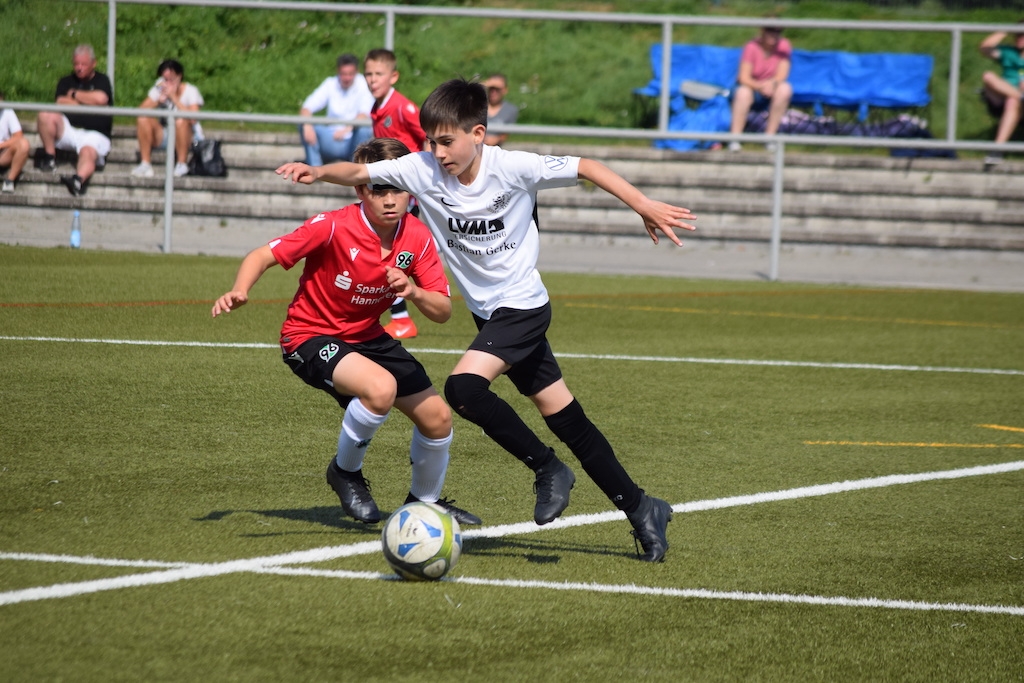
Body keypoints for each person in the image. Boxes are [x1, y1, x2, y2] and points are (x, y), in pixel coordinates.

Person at [276, 79, 696, 562]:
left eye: (446, 141)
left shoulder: (512, 167)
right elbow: (358, 170)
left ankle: (548, 468)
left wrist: (643, 205)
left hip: (523, 307)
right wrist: (317, 172)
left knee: (464, 389)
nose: (438, 152)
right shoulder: (422, 169)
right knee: (567, 418)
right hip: (490, 317)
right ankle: (642, 508)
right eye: (431, 141)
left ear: (478, 134)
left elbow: (587, 166)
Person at [212, 137, 479, 527]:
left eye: (398, 189)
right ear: (359, 190)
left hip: (367, 336)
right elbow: (263, 255)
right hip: (308, 336)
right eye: (378, 190)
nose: (390, 200)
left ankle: (424, 503)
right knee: (381, 389)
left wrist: (413, 291)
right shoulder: (333, 226)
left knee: (438, 418)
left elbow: (442, 311)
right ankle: (345, 472)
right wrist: (240, 289)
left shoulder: (418, 236)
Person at [364, 48, 429, 340]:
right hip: (388, 189)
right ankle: (398, 318)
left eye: (378, 74)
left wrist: (422, 178)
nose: (372, 79)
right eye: (368, 74)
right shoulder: (377, 107)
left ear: (394, 76)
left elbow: (428, 138)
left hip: (405, 193)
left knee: (389, 251)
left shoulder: (403, 108)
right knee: (385, 250)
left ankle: (400, 319)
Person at [35, 44, 113, 196]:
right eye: (76, 64)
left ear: (93, 63)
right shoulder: (65, 81)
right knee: (45, 114)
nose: (79, 68)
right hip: (70, 130)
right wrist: (90, 102)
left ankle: (78, 179)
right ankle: (50, 158)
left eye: (83, 64)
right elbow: (60, 101)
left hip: (95, 134)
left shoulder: (102, 80)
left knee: (88, 151)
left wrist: (75, 95)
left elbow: (102, 99)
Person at [131, 59, 204, 178]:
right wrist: (157, 101)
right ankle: (145, 164)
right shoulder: (160, 89)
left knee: (181, 120)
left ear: (180, 76)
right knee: (143, 118)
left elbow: (194, 118)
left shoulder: (191, 91)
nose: (168, 83)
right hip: (165, 135)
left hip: (188, 136)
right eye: (165, 79)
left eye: (172, 79)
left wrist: (174, 98)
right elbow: (140, 110)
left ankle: (182, 164)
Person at [299, 53, 374, 166]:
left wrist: (347, 129)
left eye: (350, 74)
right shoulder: (330, 83)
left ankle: (358, 169)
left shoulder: (364, 84)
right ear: (338, 71)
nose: (347, 78)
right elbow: (306, 108)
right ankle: (314, 170)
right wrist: (307, 125)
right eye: (344, 74)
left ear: (357, 72)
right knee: (303, 124)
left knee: (363, 129)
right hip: (331, 139)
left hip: (354, 140)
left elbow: (364, 114)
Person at [728, 26, 793, 152]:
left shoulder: (784, 46)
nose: (774, 34)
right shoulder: (751, 47)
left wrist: (771, 84)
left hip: (771, 88)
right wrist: (760, 87)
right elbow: (743, 77)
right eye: (770, 30)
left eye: (778, 31)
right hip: (751, 86)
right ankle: (734, 139)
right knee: (743, 93)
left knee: (785, 89)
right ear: (762, 31)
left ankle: (769, 138)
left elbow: (782, 74)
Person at [979, 22, 1024, 166]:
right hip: (1004, 95)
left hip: (1015, 100)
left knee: (1012, 101)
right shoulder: (1008, 52)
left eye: (1022, 35)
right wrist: (1005, 30)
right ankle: (1019, 96)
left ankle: (997, 150)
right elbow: (985, 48)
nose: (1019, 38)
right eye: (1017, 34)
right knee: (988, 76)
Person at [0, 92, 31, 193]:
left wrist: (1, 145)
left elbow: (18, 136)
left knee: (24, 144)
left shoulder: (7, 111)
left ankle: (9, 181)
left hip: (2, 154)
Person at [483, 73, 519, 147]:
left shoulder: (510, 110)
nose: (493, 92)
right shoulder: (478, 106)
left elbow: (506, 133)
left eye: (497, 89)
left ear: (505, 90)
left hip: (497, 148)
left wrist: (496, 139)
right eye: (491, 88)